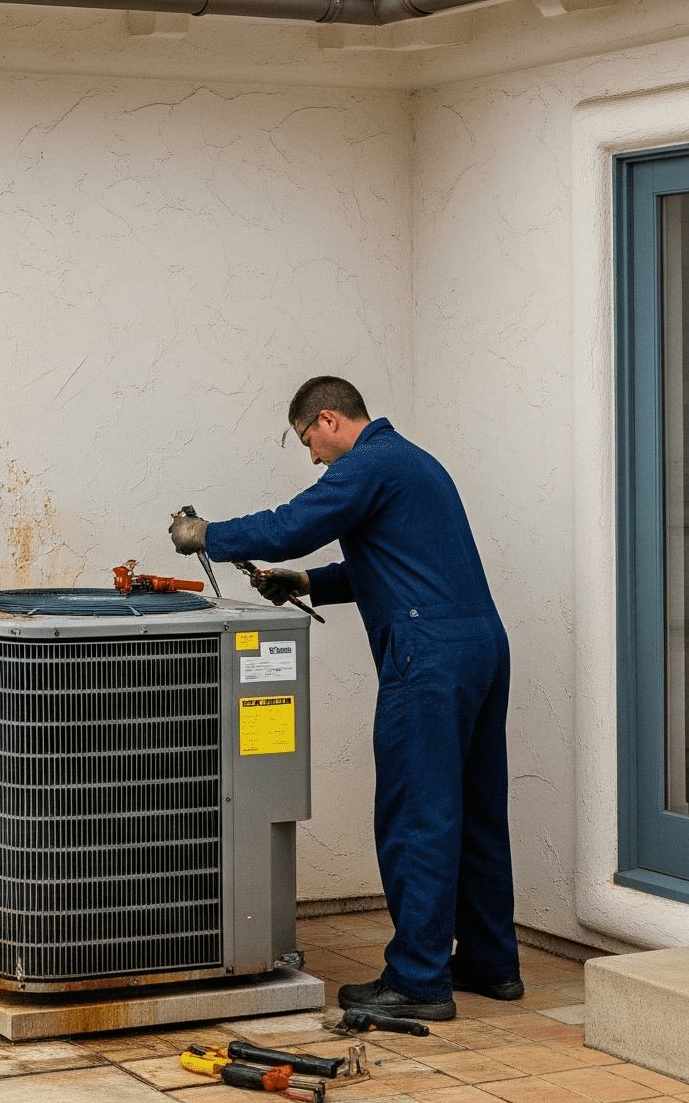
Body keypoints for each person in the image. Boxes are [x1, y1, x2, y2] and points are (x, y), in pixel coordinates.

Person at [169, 376, 516, 1023]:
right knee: (474, 811)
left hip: (428, 657)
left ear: (328, 420)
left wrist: (207, 534)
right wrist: (308, 583)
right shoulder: (414, 463)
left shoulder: (368, 463)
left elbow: (292, 523)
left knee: (418, 814)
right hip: (479, 644)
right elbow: (390, 563)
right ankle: (491, 963)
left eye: (309, 441)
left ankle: (417, 980)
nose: (313, 457)